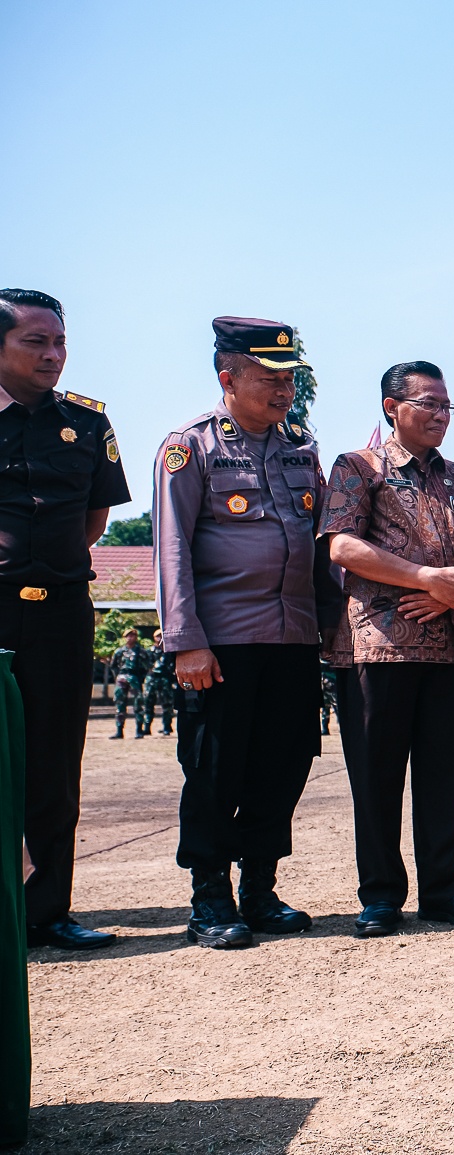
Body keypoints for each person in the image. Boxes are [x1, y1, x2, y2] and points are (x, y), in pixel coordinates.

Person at [156, 315, 335, 949]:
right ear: (227, 378)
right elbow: (172, 547)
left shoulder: (301, 448)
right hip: (222, 643)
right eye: (269, 378)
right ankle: (210, 897)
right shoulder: (191, 447)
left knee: (283, 764)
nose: (284, 389)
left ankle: (260, 888)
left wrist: (332, 629)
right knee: (214, 769)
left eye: (290, 378)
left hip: (294, 638)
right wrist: (186, 640)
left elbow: (321, 549)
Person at [321, 360, 454, 938]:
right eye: (428, 404)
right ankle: (379, 896)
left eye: (447, 406)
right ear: (391, 407)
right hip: (380, 647)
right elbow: (342, 547)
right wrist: (425, 578)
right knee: (376, 778)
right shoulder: (357, 467)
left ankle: (444, 891)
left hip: (453, 644)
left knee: (445, 776)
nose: (441, 415)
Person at [0, 289, 130, 951]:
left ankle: (48, 912)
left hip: (61, 613)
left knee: (54, 766)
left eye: (60, 343)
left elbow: (94, 520)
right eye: (35, 342)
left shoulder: (88, 423)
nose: (52, 355)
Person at [108, 628, 150, 739]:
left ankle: (139, 730)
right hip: (122, 677)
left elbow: (147, 666)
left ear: (136, 637)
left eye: (133, 636)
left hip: (135, 678)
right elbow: (113, 666)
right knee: (120, 704)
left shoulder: (141, 651)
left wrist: (141, 678)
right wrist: (118, 676)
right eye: (128, 636)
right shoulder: (119, 651)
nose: (130, 638)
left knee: (138, 704)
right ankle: (119, 731)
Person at [142, 629, 177, 736]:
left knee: (167, 704)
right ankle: (147, 727)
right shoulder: (149, 651)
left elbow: (173, 664)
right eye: (158, 636)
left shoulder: (170, 651)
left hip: (165, 679)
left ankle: (167, 727)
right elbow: (144, 664)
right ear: (154, 638)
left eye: (161, 636)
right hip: (151, 679)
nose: (160, 638)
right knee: (148, 703)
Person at [319, 658, 338, 736]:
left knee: (336, 707)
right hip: (325, 687)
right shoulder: (322, 663)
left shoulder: (329, 663)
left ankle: (326, 728)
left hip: (332, 686)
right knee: (325, 709)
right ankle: (325, 728)